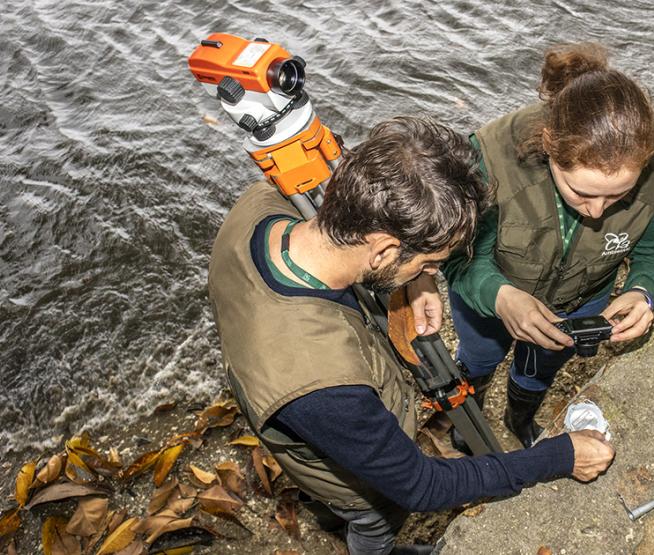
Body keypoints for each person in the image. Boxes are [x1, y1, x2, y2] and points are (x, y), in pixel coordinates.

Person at [207, 117, 616, 555]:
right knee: (371, 518)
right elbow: (421, 486)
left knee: (328, 469)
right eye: (429, 264)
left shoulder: (263, 204)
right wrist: (560, 456)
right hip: (351, 480)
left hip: (290, 406)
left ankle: (329, 513)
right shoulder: (322, 385)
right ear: (383, 249)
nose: (434, 274)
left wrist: (409, 281)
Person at [444, 43, 654, 449]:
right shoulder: (486, 157)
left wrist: (643, 292)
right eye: (581, 191)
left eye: (618, 197)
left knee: (540, 367)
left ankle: (519, 420)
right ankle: (466, 425)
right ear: (549, 144)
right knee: (479, 358)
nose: (595, 212)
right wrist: (499, 298)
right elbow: (456, 255)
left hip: (582, 300)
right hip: (490, 294)